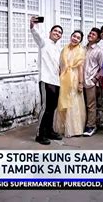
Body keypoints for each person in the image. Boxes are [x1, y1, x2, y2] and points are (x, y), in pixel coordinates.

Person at [30, 16, 63, 145]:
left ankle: (49, 131)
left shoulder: (58, 48)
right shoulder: (43, 42)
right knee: (46, 108)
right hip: (46, 80)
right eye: (55, 31)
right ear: (50, 33)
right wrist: (32, 24)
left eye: (59, 32)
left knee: (53, 108)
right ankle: (40, 134)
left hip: (56, 81)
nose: (57, 33)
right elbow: (35, 33)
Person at [54, 30, 87, 138]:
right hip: (63, 79)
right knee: (62, 101)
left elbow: (81, 68)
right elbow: (61, 66)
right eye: (74, 36)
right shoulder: (64, 49)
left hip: (74, 79)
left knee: (73, 103)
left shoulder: (81, 51)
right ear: (71, 36)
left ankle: (74, 129)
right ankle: (62, 127)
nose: (75, 39)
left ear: (80, 41)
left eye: (78, 38)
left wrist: (81, 83)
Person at [82, 28, 103, 137]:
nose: (90, 35)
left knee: (91, 105)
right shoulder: (83, 48)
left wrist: (95, 79)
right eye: (90, 33)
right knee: (82, 105)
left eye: (93, 34)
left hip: (91, 82)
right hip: (81, 82)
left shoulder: (99, 51)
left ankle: (91, 126)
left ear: (98, 38)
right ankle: (82, 124)